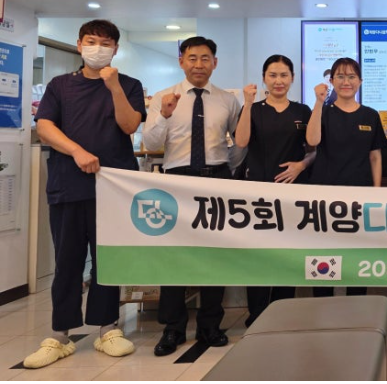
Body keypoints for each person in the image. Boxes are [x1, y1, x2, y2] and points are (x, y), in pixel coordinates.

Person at [25, 20, 144, 369]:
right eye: (91, 41)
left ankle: (108, 329)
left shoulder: (129, 85)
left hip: (114, 186)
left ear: (115, 50)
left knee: (109, 260)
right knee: (68, 260)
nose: (98, 48)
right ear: (79, 45)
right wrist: (77, 151)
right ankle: (60, 334)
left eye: (105, 43)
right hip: (69, 185)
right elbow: (44, 126)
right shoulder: (60, 86)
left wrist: (114, 86)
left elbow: (130, 125)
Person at [143, 36, 242, 357]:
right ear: (181, 61)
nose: (199, 64)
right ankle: (173, 328)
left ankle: (210, 325)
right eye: (192, 58)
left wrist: (226, 171)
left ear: (215, 62)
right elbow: (151, 143)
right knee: (176, 255)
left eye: (205, 58)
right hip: (178, 181)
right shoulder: (163, 97)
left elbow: (239, 143)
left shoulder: (227, 100)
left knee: (215, 255)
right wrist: (164, 115)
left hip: (217, 178)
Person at [234, 54, 315, 326]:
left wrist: (301, 166)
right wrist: (247, 103)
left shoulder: (302, 111)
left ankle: (283, 310)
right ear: (264, 78)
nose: (278, 81)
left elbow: (314, 149)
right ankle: (257, 313)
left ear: (292, 78)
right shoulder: (253, 109)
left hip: (292, 193)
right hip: (258, 194)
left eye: (283, 75)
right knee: (257, 254)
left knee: (287, 254)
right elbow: (241, 141)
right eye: (272, 75)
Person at [307, 57, 387, 297]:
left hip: (360, 198)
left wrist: (376, 192)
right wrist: (318, 103)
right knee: (324, 258)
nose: (346, 82)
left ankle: (357, 307)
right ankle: (322, 306)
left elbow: (375, 156)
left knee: (358, 258)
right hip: (325, 198)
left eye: (351, 76)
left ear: (360, 81)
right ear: (331, 81)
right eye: (340, 77)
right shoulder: (323, 112)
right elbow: (312, 140)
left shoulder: (370, 115)